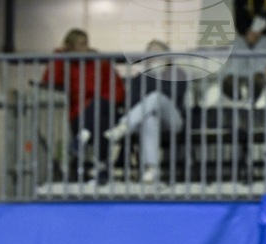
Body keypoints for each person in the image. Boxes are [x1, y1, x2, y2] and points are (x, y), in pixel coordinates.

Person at [41, 28, 125, 184]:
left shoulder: (101, 62)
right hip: (79, 113)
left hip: (107, 106)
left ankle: (82, 139)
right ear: (70, 46)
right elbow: (51, 80)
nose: (85, 48)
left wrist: (103, 101)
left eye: (86, 43)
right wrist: (60, 56)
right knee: (102, 124)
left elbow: (118, 88)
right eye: (81, 44)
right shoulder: (65, 62)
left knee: (98, 107)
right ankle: (102, 169)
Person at [103, 40, 189, 184]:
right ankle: (151, 170)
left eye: (157, 52)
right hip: (148, 120)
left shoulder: (179, 73)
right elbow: (131, 102)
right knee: (149, 119)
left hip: (173, 120)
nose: (153, 56)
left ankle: (123, 126)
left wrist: (157, 75)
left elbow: (173, 95)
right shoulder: (141, 77)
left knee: (155, 97)